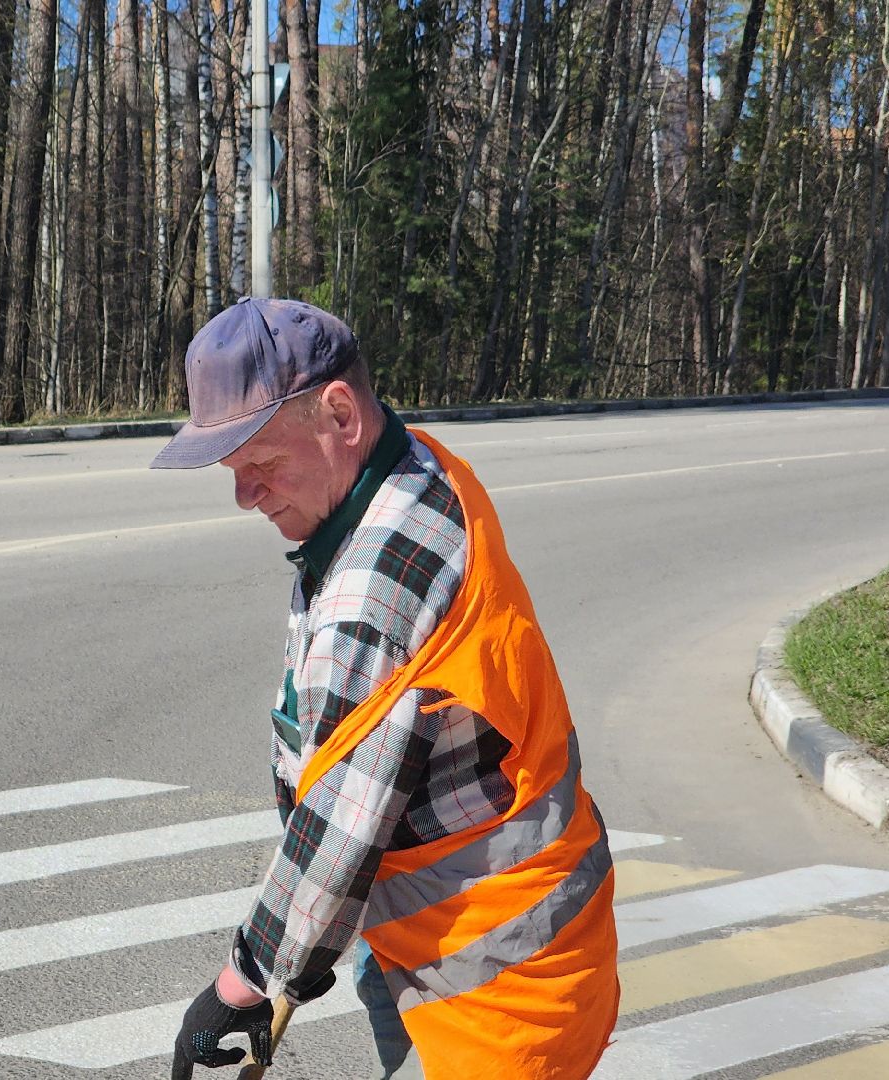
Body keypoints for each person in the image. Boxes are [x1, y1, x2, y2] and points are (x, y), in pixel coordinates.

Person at [155, 299, 618, 1079]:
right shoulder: (417, 467)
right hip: (476, 936)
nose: (246, 496)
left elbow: (340, 826)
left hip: (490, 987)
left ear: (339, 412)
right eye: (234, 474)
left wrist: (243, 983)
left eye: (260, 465)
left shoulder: (375, 595)